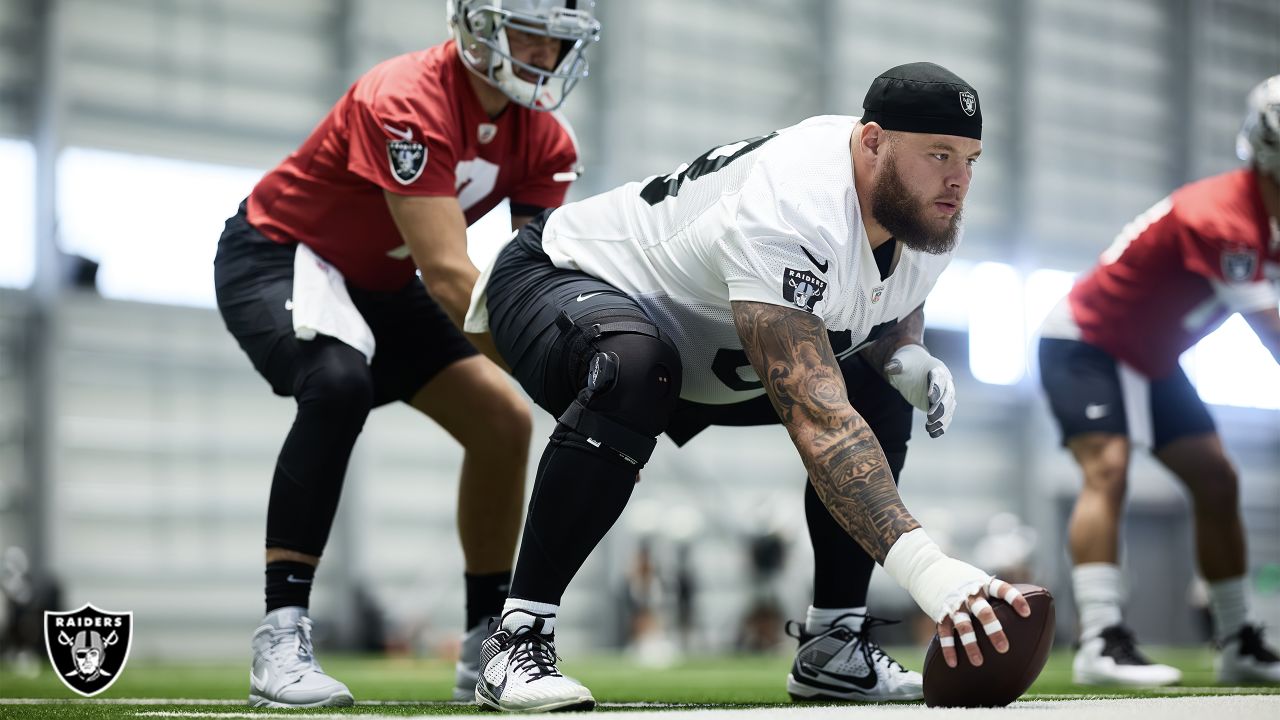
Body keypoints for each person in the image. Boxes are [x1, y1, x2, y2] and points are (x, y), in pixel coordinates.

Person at [464, 62, 1031, 712]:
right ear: (871, 141)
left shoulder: (921, 208)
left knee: (875, 387)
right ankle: (516, 639)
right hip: (561, 275)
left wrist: (905, 353)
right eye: (939, 154)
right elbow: (819, 422)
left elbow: (887, 298)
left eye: (970, 158)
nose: (958, 178)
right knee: (636, 366)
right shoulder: (796, 204)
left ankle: (834, 645)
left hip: (699, 349)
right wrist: (929, 569)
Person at [211, 0, 600, 707]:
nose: (544, 54)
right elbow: (451, 273)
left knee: (502, 423)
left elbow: (537, 282)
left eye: (558, 39)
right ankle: (282, 632)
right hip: (279, 255)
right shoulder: (406, 98)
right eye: (532, 31)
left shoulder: (548, 141)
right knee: (337, 382)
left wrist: (587, 347)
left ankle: (489, 638)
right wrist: (557, 372)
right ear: (479, 21)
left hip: (383, 280)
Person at [1037, 75, 1280, 687]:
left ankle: (1236, 640)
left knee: (1217, 478)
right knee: (1109, 468)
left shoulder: (1261, 216)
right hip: (1085, 341)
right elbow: (1272, 332)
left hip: (1149, 356)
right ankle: (1099, 639)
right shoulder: (1222, 216)